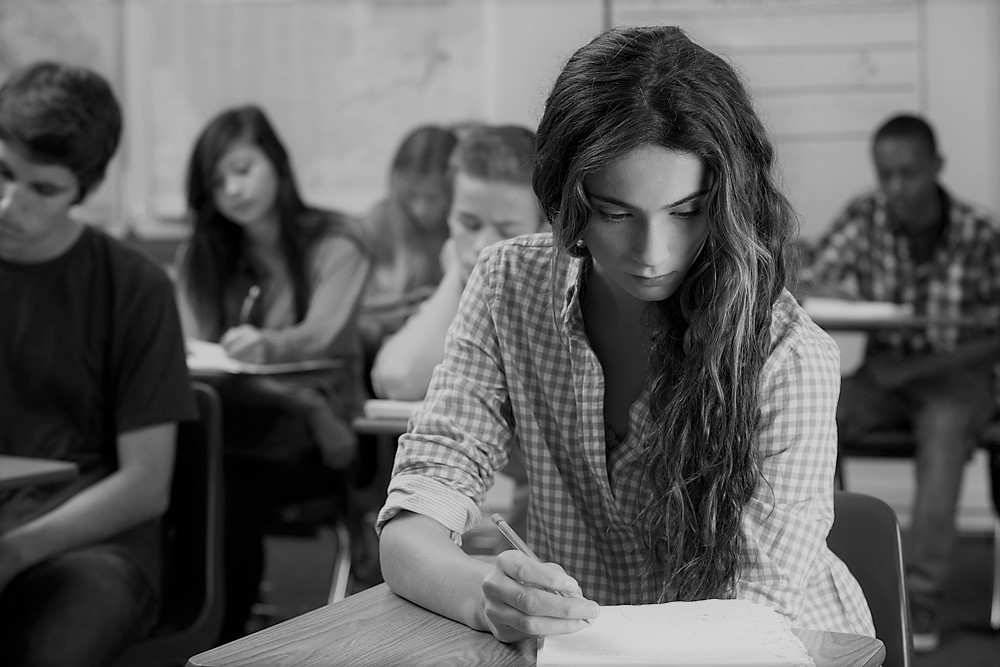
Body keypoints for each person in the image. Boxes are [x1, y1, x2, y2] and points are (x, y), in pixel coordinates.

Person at [376, 24, 875, 644]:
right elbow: (408, 532)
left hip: (770, 649)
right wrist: (489, 599)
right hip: (583, 649)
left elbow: (751, 626)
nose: (652, 253)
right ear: (566, 201)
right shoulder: (509, 284)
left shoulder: (786, 355)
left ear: (727, 202)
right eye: (615, 213)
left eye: (686, 212)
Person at [0, 62, 196, 666]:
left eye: (43, 189)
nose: (10, 204)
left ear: (82, 191)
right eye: (3, 173)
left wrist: (13, 551)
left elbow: (144, 486)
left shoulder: (134, 288)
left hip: (91, 545)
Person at [174, 104, 371, 640]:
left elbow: (323, 338)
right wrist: (292, 395)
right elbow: (193, 358)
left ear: (276, 164)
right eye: (217, 182)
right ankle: (182, 631)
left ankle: (221, 641)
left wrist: (271, 354)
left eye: (242, 170)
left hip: (316, 439)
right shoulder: (202, 256)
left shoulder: (337, 242)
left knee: (221, 493)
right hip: (229, 429)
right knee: (183, 474)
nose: (233, 190)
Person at [807, 113, 1000, 652]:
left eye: (908, 174)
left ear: (936, 167)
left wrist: (915, 370)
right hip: (883, 375)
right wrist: (830, 290)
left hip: (957, 380)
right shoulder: (866, 216)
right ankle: (830, 576)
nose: (895, 188)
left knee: (943, 425)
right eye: (884, 174)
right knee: (821, 409)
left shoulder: (980, 234)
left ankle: (921, 602)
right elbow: (811, 272)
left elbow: (996, 334)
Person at [370, 124, 544, 401]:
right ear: (449, 216)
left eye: (506, 230)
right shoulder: (459, 272)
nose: (481, 246)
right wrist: (456, 274)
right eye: (468, 223)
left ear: (544, 229)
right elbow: (398, 378)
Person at [358, 125, 458, 356]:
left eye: (433, 197)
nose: (420, 208)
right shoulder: (377, 224)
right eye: (410, 195)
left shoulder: (463, 227)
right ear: (395, 183)